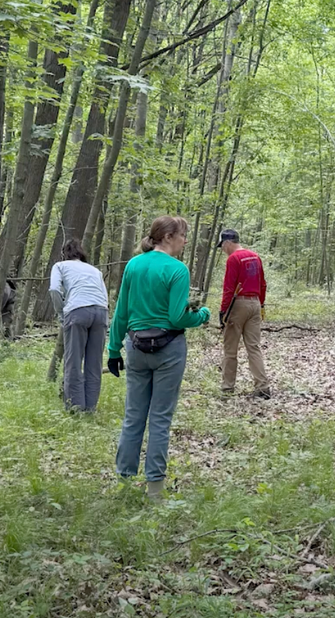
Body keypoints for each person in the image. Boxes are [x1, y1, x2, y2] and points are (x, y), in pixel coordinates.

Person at [107, 216, 210, 503]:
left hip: (136, 348)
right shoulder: (177, 270)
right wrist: (202, 315)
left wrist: (114, 350)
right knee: (160, 419)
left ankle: (124, 483)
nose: (184, 240)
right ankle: (155, 491)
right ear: (167, 236)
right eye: (182, 235)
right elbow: (178, 316)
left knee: (133, 417)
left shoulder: (134, 265)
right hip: (169, 350)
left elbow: (122, 312)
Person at [49, 239, 109, 412]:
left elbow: (54, 290)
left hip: (77, 311)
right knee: (94, 363)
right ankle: (90, 408)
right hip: (101, 312)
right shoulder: (95, 270)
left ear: (64, 253)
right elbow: (104, 295)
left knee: (73, 361)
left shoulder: (60, 266)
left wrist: (62, 313)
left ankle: (75, 408)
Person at [217, 229, 270, 399]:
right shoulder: (255, 256)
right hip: (255, 303)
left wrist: (223, 310)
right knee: (254, 347)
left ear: (227, 242)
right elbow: (262, 284)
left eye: (222, 246)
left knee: (230, 348)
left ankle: (227, 388)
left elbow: (229, 287)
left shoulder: (234, 259)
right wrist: (261, 305)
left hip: (238, 303)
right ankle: (262, 387)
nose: (223, 249)